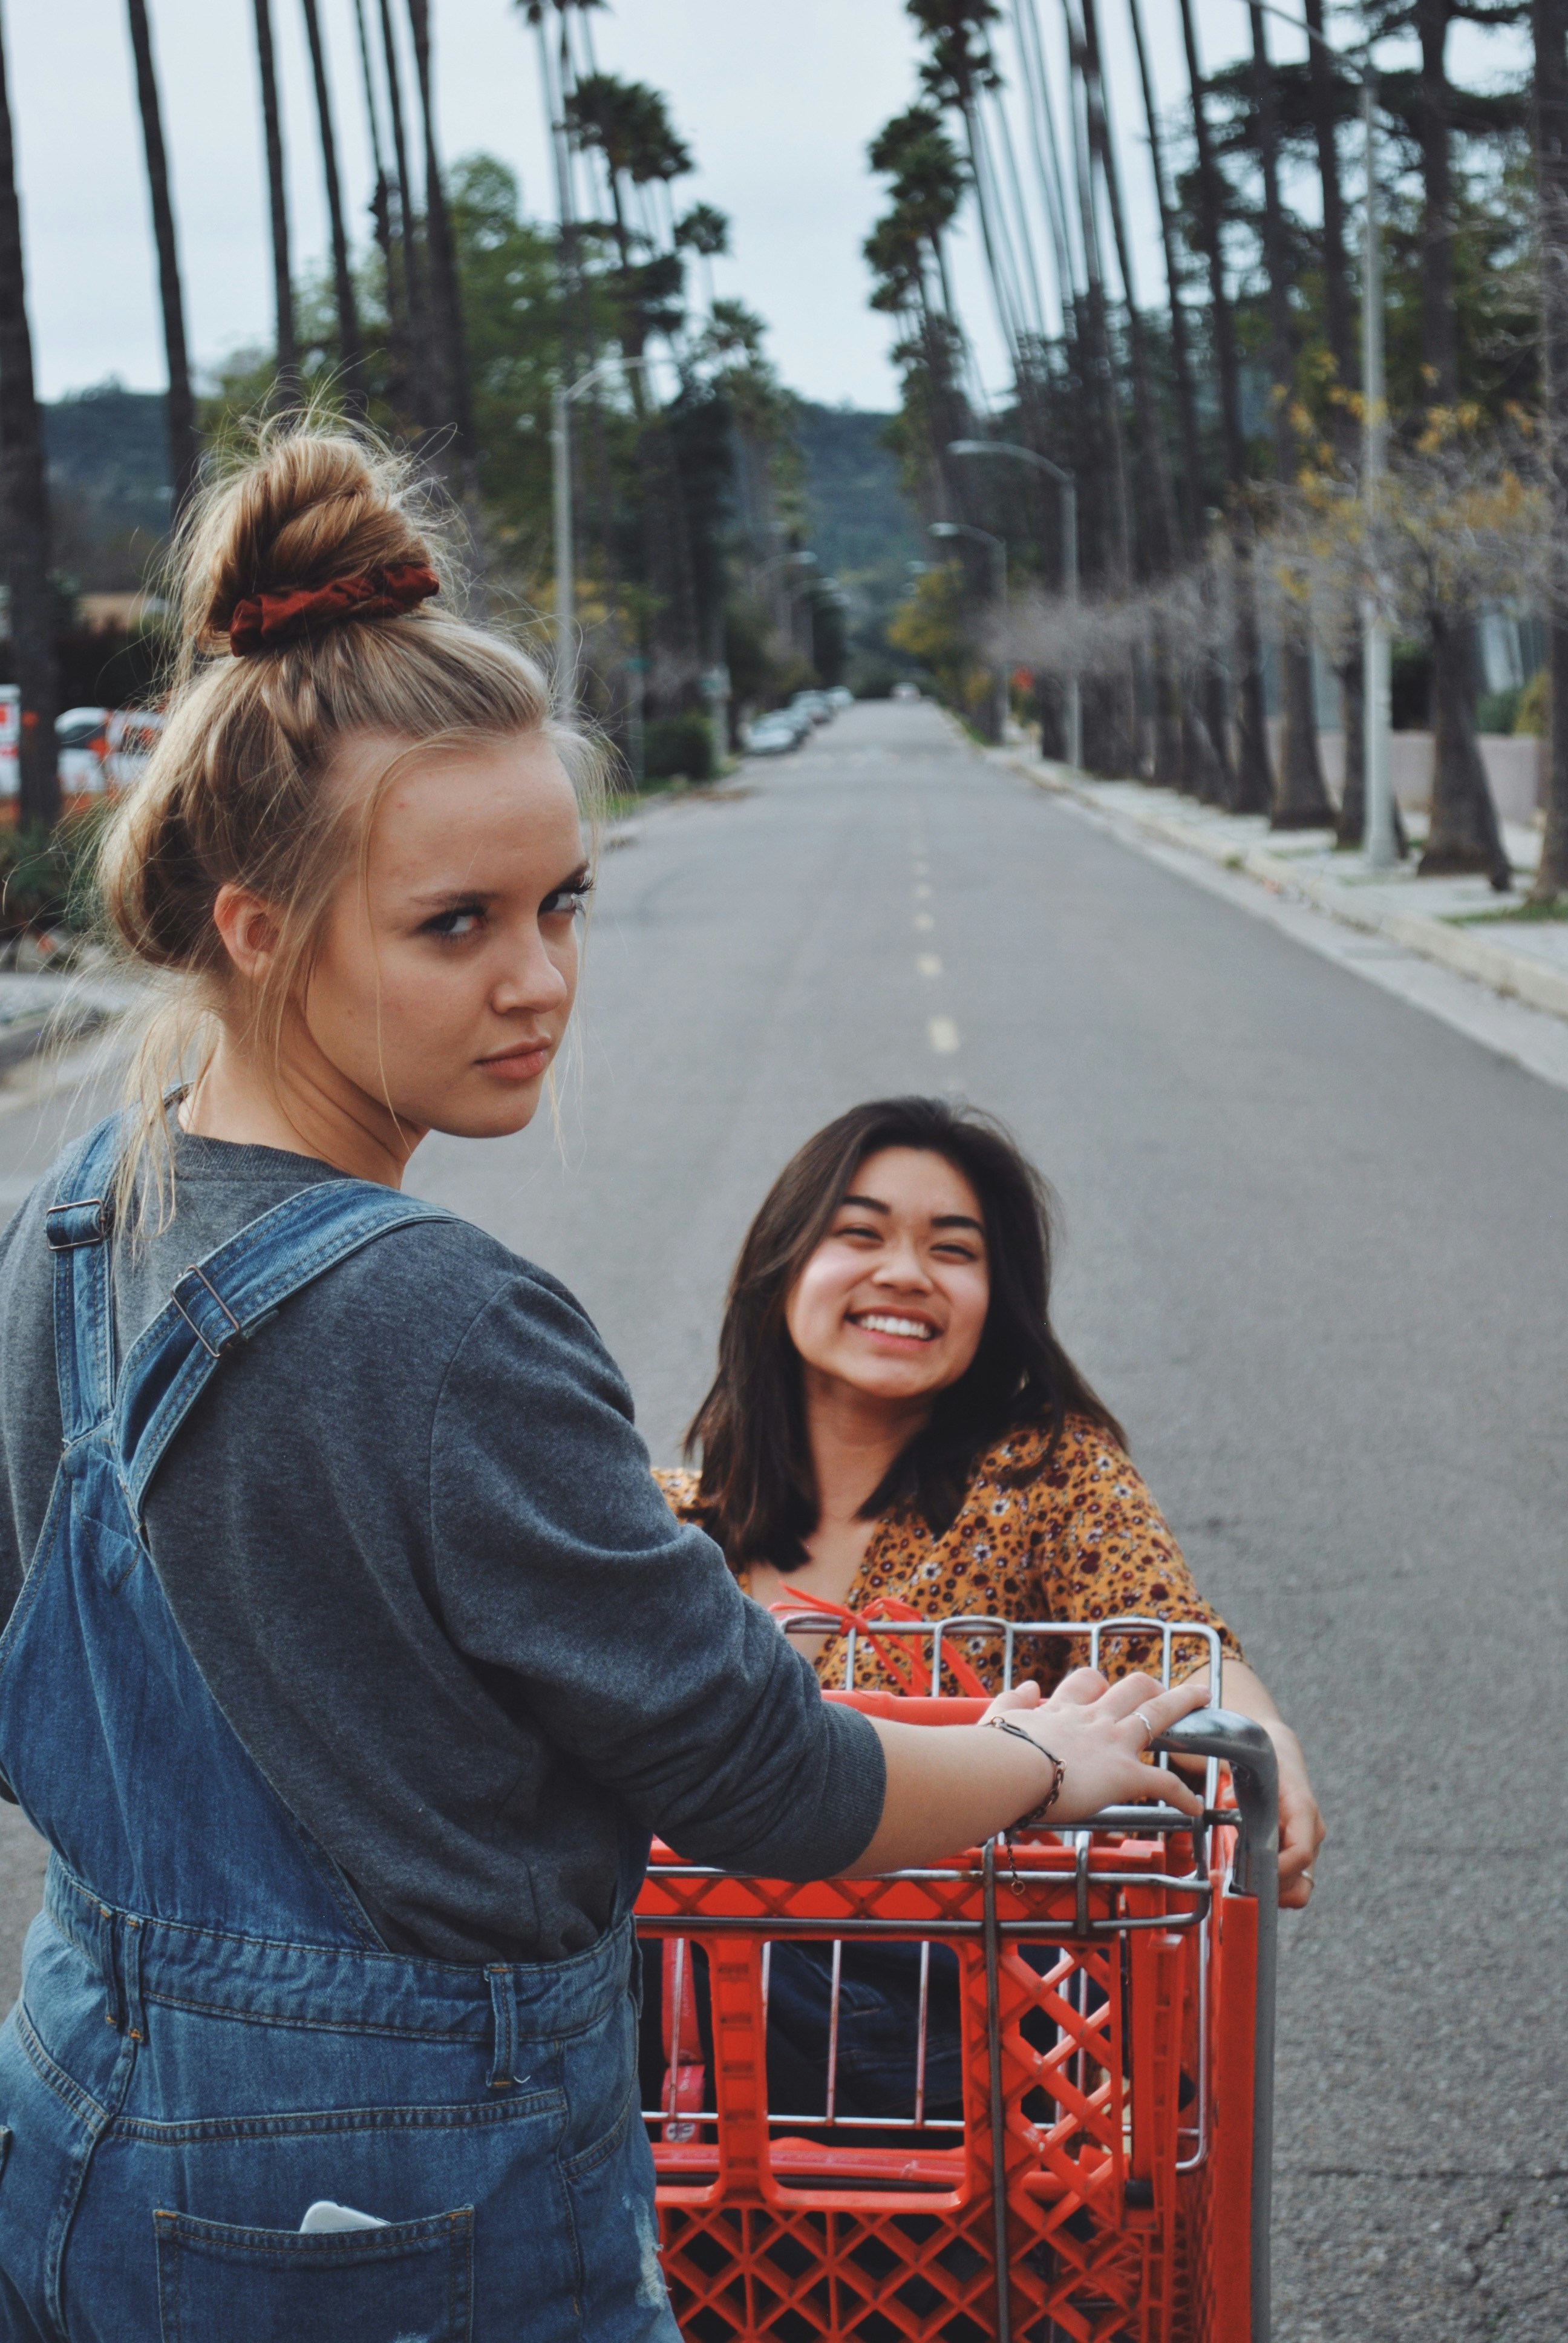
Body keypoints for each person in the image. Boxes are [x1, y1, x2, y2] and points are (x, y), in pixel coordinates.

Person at [0, 430, 1206, 2340]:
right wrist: (1049, 1763)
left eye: (563, 904)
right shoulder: (446, 1319)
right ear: (258, 929)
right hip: (397, 2196)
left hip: (78, 2121)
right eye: (454, 926)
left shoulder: (69, 1225)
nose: (540, 980)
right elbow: (763, 1775)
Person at [653, 1098, 1324, 2126]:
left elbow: (1166, 1636)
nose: (907, 1274)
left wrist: (1267, 1745)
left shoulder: (1043, 1481)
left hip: (959, 2043)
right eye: (862, 1234)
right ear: (783, 1266)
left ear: (994, 1298)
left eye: (952, 1251)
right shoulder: (663, 1527)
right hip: (692, 2070)